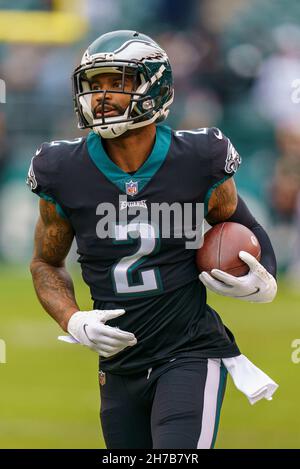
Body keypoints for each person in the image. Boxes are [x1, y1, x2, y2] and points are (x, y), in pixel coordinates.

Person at [27, 30, 277, 449]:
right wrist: (72, 318)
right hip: (119, 364)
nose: (101, 96)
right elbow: (46, 262)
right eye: (94, 84)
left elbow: (243, 226)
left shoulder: (198, 158)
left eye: (117, 83)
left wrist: (262, 279)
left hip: (189, 351)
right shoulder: (61, 168)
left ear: (154, 86)